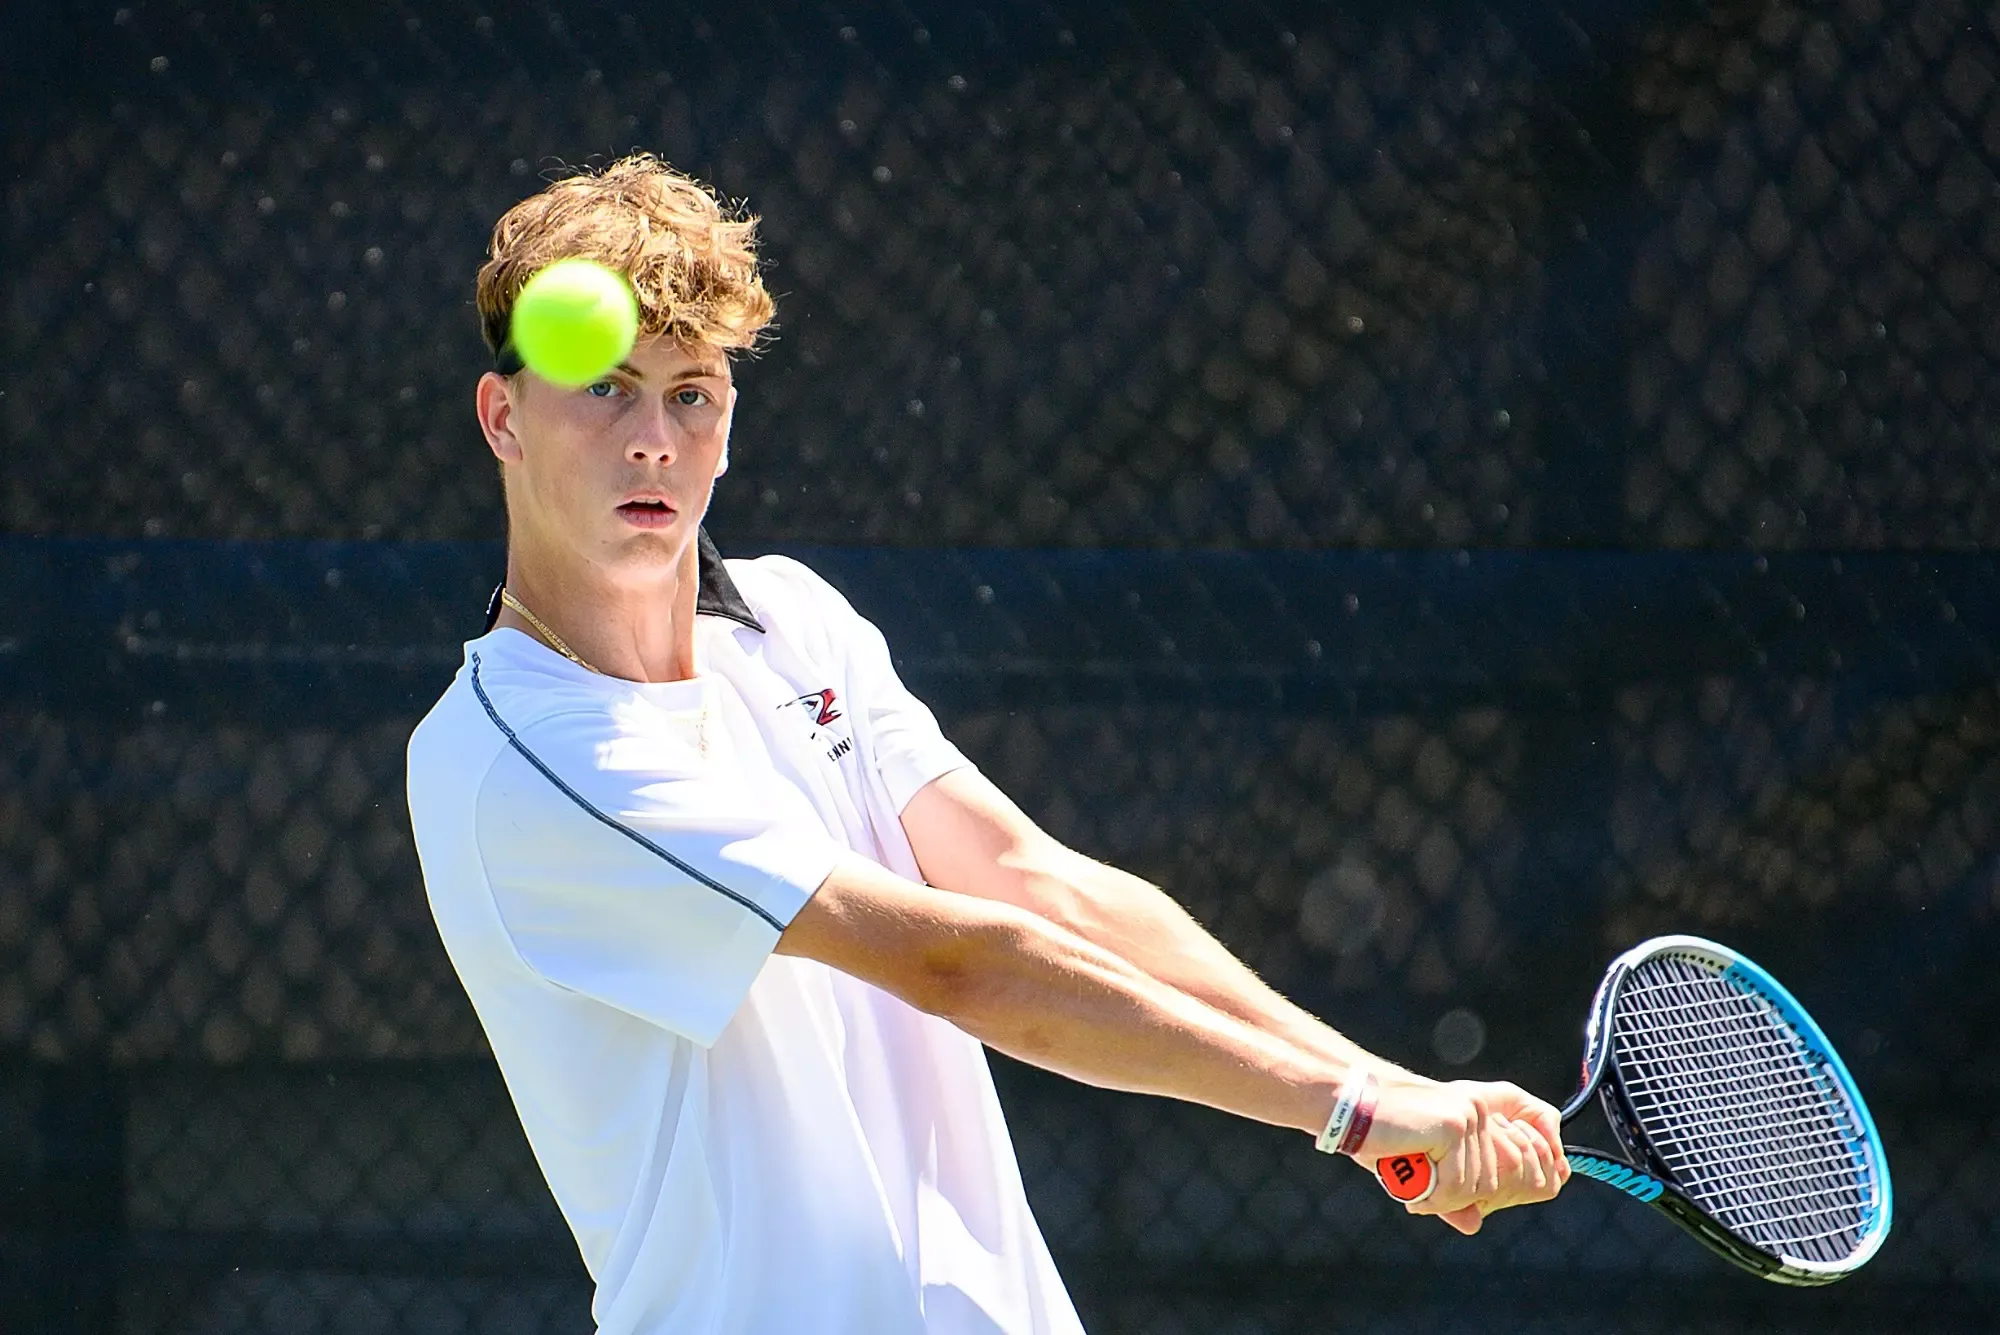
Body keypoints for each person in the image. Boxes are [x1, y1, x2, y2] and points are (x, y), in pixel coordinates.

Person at [405, 154, 1566, 1335]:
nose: (652, 438)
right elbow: (959, 961)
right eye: (603, 389)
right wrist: (1350, 1110)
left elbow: (1032, 879)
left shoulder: (792, 619)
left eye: (690, 392)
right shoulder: (527, 759)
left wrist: (1389, 1093)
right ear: (504, 416)